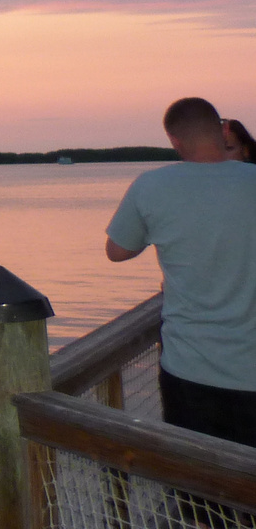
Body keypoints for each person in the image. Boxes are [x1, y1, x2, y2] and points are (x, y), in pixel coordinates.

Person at [107, 97, 256, 445]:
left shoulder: (150, 185)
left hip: (190, 370)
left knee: (195, 488)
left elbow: (117, 252)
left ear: (174, 140)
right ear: (222, 130)